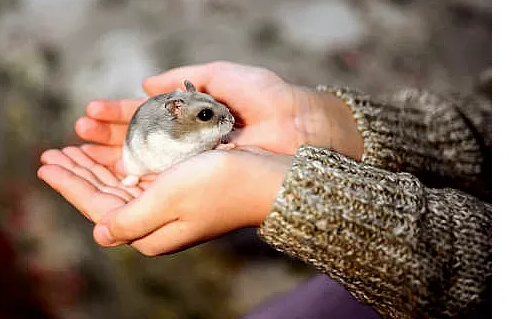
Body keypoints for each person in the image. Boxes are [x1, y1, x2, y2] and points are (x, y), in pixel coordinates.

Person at [37, 61, 492, 319]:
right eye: (207, 118)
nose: (226, 124)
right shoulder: (162, 129)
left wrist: (275, 190)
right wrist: (320, 121)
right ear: (178, 110)